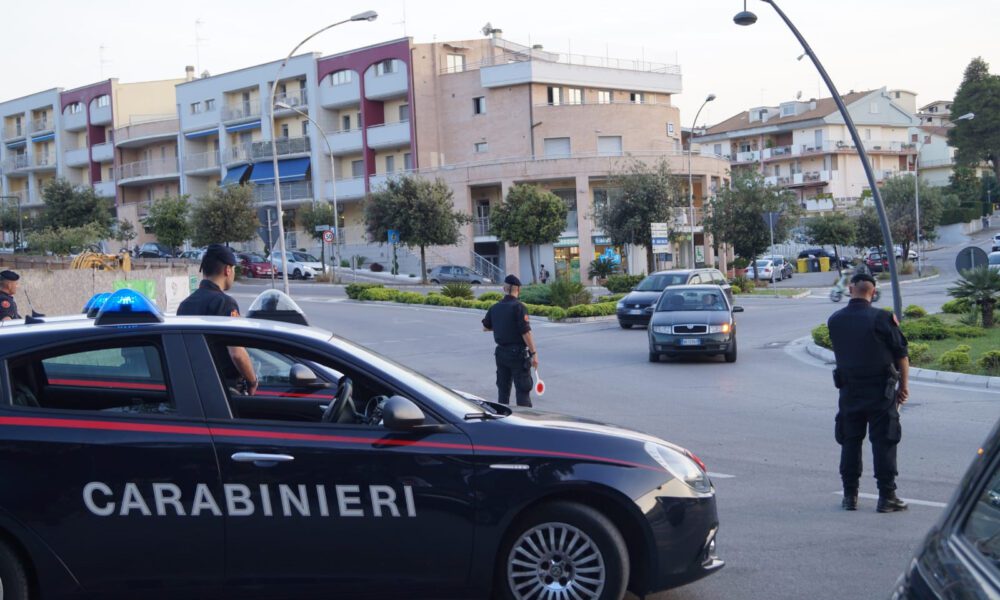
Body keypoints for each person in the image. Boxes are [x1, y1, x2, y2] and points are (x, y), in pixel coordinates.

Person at [827, 272, 909, 513]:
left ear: (850, 290)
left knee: (850, 442)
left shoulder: (835, 320)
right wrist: (904, 386)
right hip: (880, 393)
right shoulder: (883, 318)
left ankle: (849, 496)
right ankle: (887, 497)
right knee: (884, 442)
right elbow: (901, 354)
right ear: (873, 293)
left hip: (849, 392)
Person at [177, 244, 258, 396]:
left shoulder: (185, 305)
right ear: (228, 270)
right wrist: (252, 381)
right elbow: (237, 353)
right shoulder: (225, 303)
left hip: (194, 391)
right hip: (225, 392)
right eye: (234, 269)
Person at [482, 274, 539, 407]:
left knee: (503, 390)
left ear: (504, 288)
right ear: (518, 289)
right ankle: (525, 423)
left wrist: (502, 326)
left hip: (501, 353)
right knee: (522, 390)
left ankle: (503, 421)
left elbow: (485, 327)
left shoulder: (494, 308)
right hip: (517, 354)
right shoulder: (519, 307)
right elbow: (526, 332)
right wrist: (534, 353)